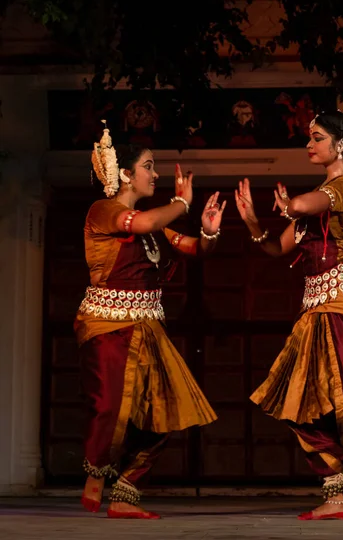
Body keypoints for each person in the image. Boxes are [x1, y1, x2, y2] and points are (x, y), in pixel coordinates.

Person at [235, 90, 343, 521]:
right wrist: (250, 222)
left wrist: (291, 205)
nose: (309, 144)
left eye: (316, 137)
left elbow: (309, 203)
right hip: (316, 312)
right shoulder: (319, 195)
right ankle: (338, 492)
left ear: (339, 145)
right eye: (309, 137)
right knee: (299, 400)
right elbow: (275, 248)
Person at [75, 122, 226, 519]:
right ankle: (96, 475)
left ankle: (126, 492)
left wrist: (209, 233)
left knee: (165, 410)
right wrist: (183, 203)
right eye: (148, 165)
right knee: (112, 405)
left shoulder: (154, 225)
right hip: (109, 326)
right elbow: (141, 223)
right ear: (126, 173)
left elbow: (193, 248)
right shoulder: (105, 210)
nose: (154, 173)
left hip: (149, 330)